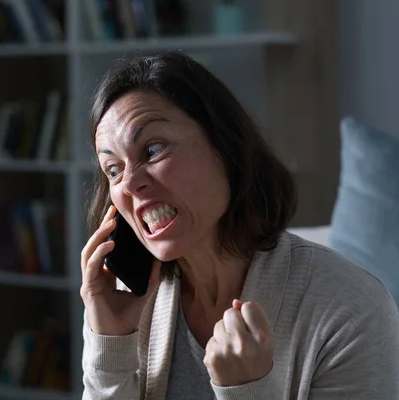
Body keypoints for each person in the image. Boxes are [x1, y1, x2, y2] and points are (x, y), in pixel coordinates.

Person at [79, 51, 399, 399]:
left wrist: (248, 391)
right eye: (113, 169)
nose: (128, 184)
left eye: (153, 149)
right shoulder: (123, 300)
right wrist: (110, 345)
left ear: (225, 147)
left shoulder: (351, 310)